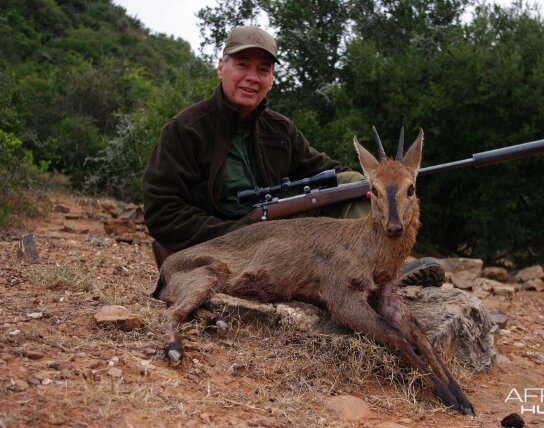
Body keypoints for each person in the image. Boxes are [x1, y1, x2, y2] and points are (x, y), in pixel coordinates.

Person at [143, 25, 444, 287]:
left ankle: (379, 268)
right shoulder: (184, 129)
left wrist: (377, 185)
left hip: (276, 236)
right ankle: (359, 279)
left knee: (352, 184)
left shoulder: (280, 129)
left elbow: (324, 171)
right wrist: (240, 231)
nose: (252, 77)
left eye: (263, 70)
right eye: (242, 65)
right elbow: (162, 211)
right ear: (221, 67)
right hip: (225, 242)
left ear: (272, 78)